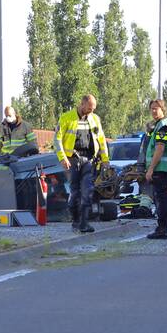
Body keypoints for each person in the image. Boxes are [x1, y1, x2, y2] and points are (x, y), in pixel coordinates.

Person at [55, 94, 110, 233]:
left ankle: (84, 223)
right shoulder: (67, 118)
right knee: (75, 192)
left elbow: (101, 140)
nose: (92, 111)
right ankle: (75, 221)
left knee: (88, 191)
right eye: (90, 108)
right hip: (72, 160)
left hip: (89, 160)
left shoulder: (95, 119)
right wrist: (62, 158)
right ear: (82, 104)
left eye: (93, 108)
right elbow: (57, 140)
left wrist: (105, 160)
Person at [143, 99, 167, 240]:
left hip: (161, 168)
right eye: (151, 108)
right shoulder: (159, 125)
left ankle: (162, 229)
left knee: (160, 198)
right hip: (162, 168)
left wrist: (150, 169)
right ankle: (162, 228)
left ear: (163, 109)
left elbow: (160, 149)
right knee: (161, 198)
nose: (153, 111)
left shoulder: (163, 126)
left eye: (156, 108)